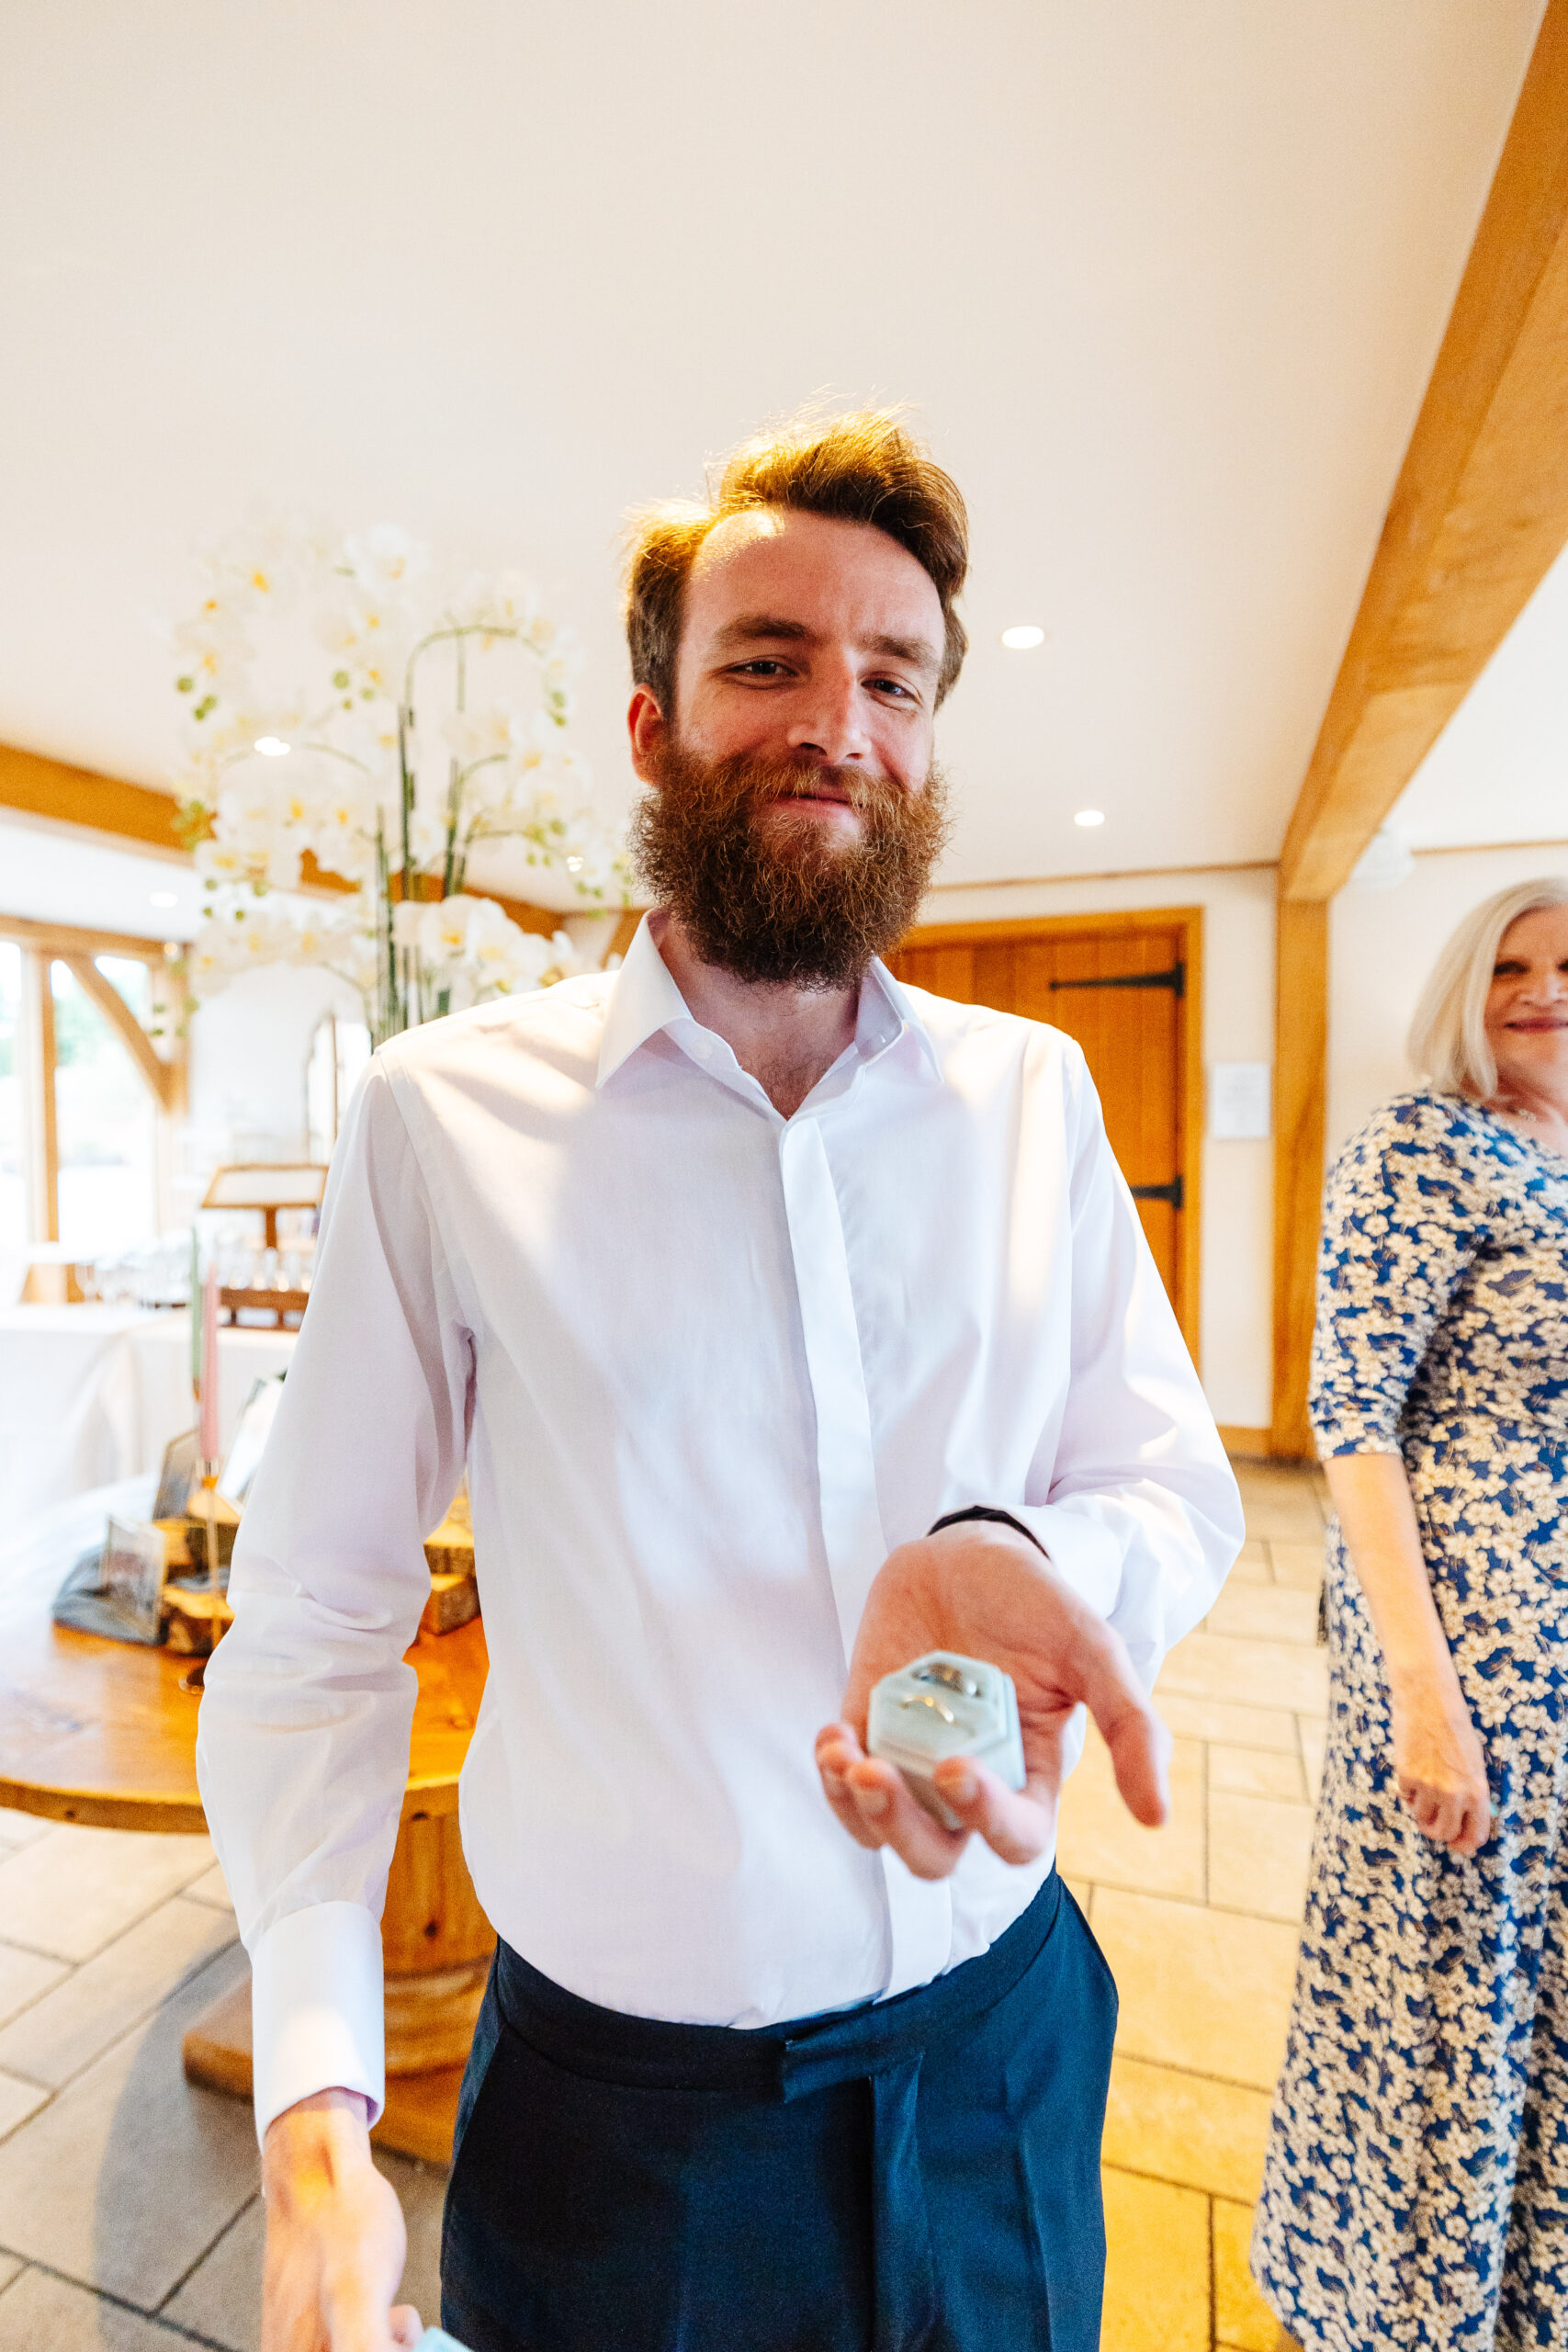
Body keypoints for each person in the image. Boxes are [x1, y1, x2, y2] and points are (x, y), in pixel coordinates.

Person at [197, 409, 1243, 2352]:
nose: (833, 717)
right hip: (626, 2130)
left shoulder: (1030, 1099)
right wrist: (319, 2120)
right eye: (765, 659)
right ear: (649, 722)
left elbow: (1169, 1482)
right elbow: (315, 1625)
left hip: (999, 2043)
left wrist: (1016, 1556)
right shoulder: (447, 1120)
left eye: (892, 675)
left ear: (928, 740)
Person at [1254, 877, 1568, 2349]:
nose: (1542, 987)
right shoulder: (1425, 1146)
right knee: (1452, 1993)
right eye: (1511, 962)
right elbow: (1352, 1416)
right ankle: (1402, 2308)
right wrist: (1424, 1691)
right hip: (1475, 1648)